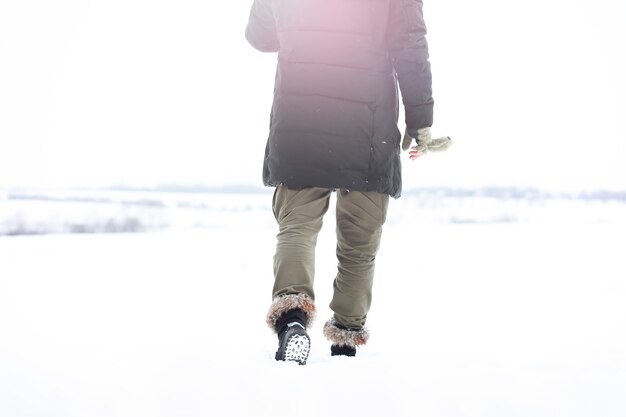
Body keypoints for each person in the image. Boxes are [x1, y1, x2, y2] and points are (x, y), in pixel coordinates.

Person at [245, 0, 449, 365]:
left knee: (296, 227)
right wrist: (420, 121)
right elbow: (410, 43)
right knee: (358, 243)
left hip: (299, 119)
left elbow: (260, 37)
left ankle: (292, 317)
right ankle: (345, 340)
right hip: (368, 128)